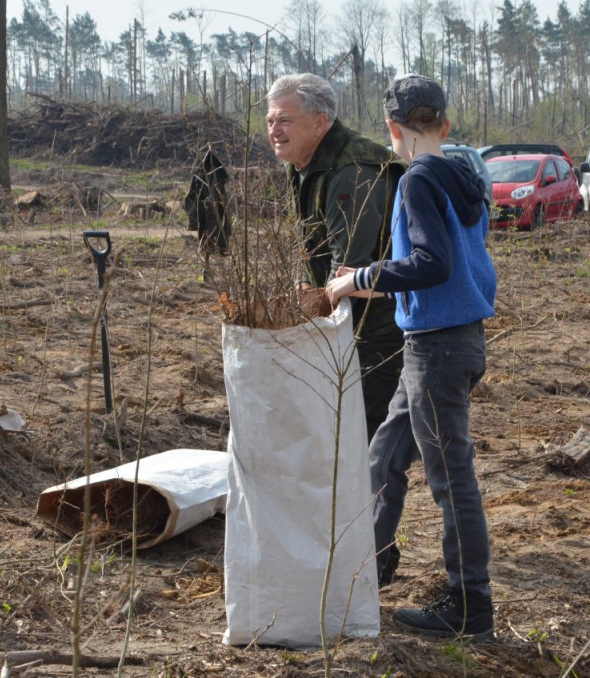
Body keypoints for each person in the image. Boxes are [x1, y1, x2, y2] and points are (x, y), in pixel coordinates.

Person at [325, 75, 497, 640]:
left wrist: (362, 277)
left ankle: (469, 607)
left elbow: (432, 263)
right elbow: (443, 269)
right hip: (447, 340)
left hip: (438, 349)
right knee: (383, 457)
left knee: (452, 479)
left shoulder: (417, 180)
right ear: (444, 126)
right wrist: (371, 283)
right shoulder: (464, 177)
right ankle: (371, 566)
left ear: (393, 130)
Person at [265, 73, 405, 441]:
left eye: (284, 120)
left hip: (379, 326)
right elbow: (311, 243)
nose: (274, 130)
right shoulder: (303, 165)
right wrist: (301, 283)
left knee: (368, 442)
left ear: (319, 123)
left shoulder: (351, 170)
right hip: (347, 322)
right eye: (270, 121)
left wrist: (306, 309)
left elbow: (348, 269)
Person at [183, 148, 231, 282]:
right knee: (206, 245)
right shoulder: (202, 178)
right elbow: (192, 198)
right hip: (205, 216)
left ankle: (208, 271)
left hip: (214, 217)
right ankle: (206, 271)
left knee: (211, 245)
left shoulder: (218, 180)